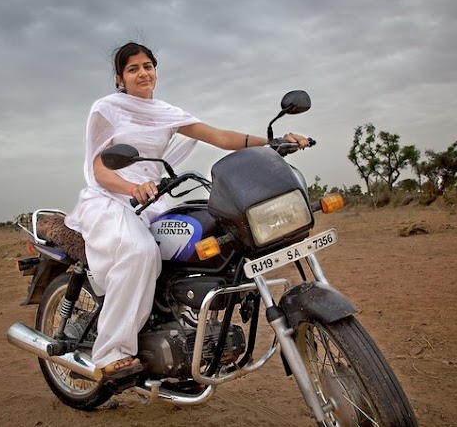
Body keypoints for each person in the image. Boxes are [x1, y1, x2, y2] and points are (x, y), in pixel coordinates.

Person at [64, 42, 310, 380]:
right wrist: (131, 187)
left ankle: (183, 330)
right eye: (133, 68)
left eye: (148, 65)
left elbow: (220, 136)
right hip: (111, 198)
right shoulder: (108, 109)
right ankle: (110, 353)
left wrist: (272, 142)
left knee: (204, 241)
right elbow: (100, 167)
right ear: (120, 78)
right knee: (139, 252)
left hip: (152, 199)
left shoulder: (166, 113)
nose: (142, 73)